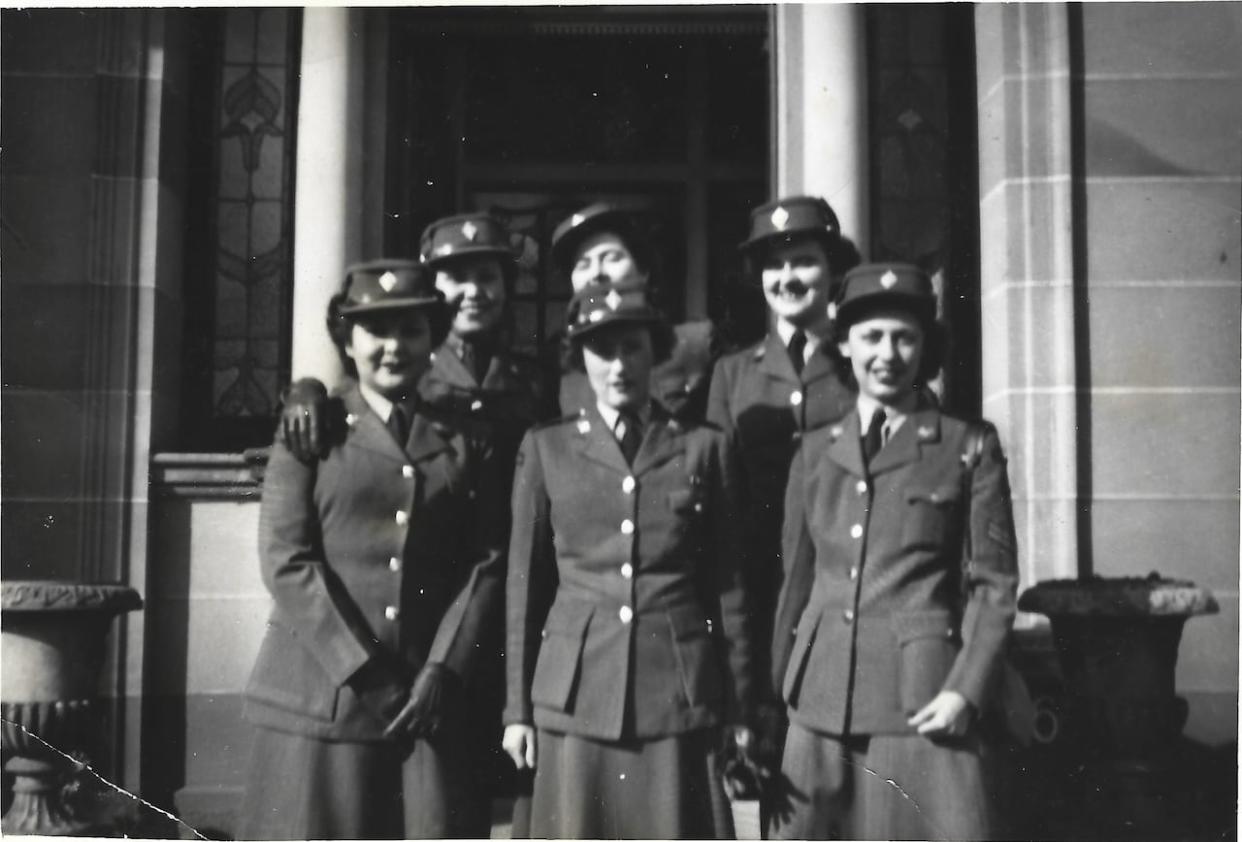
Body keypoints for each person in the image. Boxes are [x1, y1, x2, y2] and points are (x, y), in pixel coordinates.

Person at [238, 260, 505, 839]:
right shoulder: (313, 427)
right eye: (376, 331)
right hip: (322, 700)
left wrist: (444, 668)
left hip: (424, 705)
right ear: (347, 339)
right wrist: (363, 667)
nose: (394, 347)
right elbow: (286, 559)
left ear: (433, 338)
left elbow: (486, 563)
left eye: (411, 330)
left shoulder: (465, 440)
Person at [770, 263, 1018, 840]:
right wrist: (776, 691)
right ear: (845, 344)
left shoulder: (967, 444)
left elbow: (995, 584)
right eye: (871, 336)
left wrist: (967, 688)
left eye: (904, 336)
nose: (887, 353)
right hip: (819, 700)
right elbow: (796, 582)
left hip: (925, 702)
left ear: (926, 344)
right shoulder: (813, 452)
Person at [502, 281, 755, 838]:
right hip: (575, 694)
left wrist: (737, 706)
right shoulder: (547, 447)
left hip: (676, 694)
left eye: (632, 347)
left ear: (656, 351)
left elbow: (729, 588)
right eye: (601, 350)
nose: (618, 366)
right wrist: (516, 710)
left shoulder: (703, 447)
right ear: (579, 359)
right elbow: (525, 589)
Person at [705, 196, 859, 798]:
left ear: (833, 271)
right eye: (775, 266)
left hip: (837, 578)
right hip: (758, 581)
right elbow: (716, 487)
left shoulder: (859, 362)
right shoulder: (732, 374)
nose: (788, 278)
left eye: (805, 261)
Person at [550, 202, 720, 422]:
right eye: (583, 265)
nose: (596, 274)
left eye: (611, 258)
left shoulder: (695, 344)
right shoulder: (562, 364)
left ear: (644, 271)